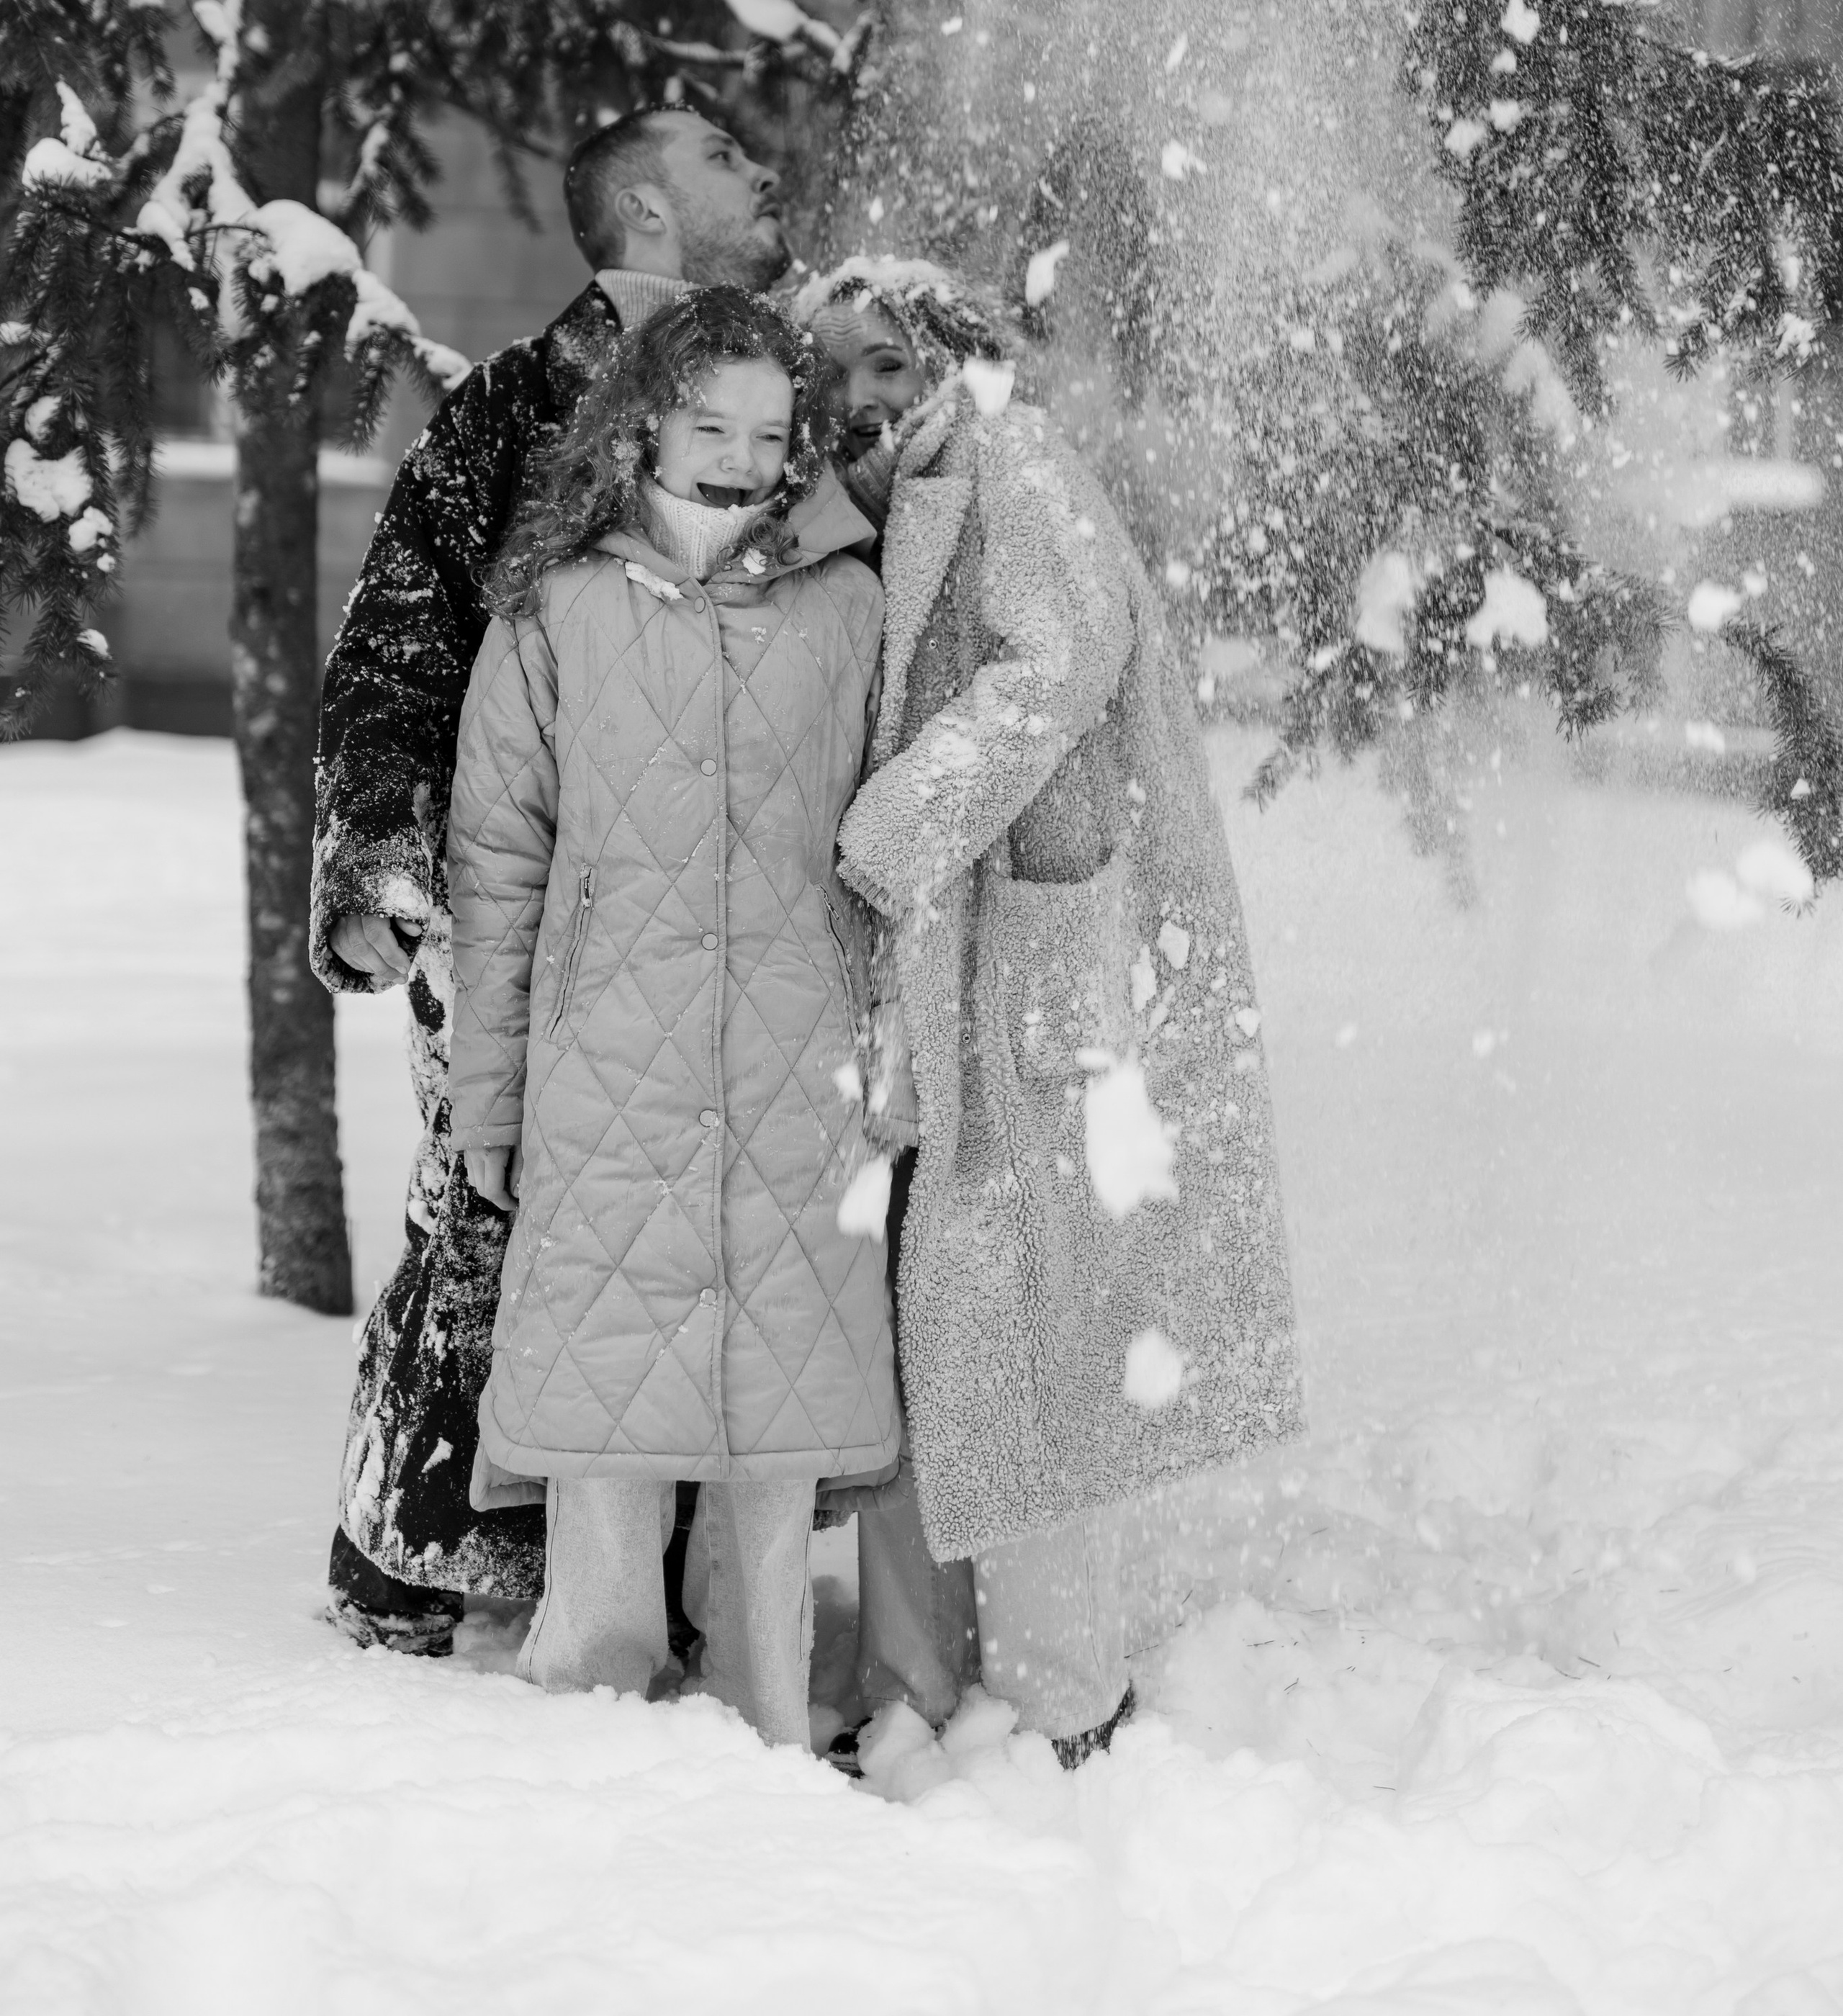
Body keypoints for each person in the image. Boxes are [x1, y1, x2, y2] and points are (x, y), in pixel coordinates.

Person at [802, 257, 1303, 1765]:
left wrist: (885, 833)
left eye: (884, 363)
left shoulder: (1011, 460)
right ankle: (964, 1678)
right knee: (955, 1324)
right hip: (959, 967)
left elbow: (1058, 663)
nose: (858, 397)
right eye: (835, 372)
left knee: (1014, 1336)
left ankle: (1063, 1697)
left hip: (1017, 963)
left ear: (950, 352)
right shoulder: (909, 482)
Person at [310, 107, 788, 1657]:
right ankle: (426, 1571)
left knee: (715, 1242)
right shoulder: (514, 410)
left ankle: (673, 1586)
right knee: (494, 1220)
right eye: (724, 158)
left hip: (736, 922)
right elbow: (397, 644)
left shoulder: (778, 399)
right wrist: (386, 858)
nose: (761, 174)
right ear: (647, 205)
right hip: (530, 916)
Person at [445, 289, 899, 1739]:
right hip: (610, 1064)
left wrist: (895, 1066)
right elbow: (497, 867)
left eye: (769, 434)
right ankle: (587, 1714)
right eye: (710, 424)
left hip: (794, 1067)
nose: (738, 457)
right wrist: (491, 1103)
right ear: (643, 418)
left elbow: (892, 856)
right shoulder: (556, 609)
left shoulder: (849, 606)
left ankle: (767, 1722)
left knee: (772, 1423)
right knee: (603, 1409)